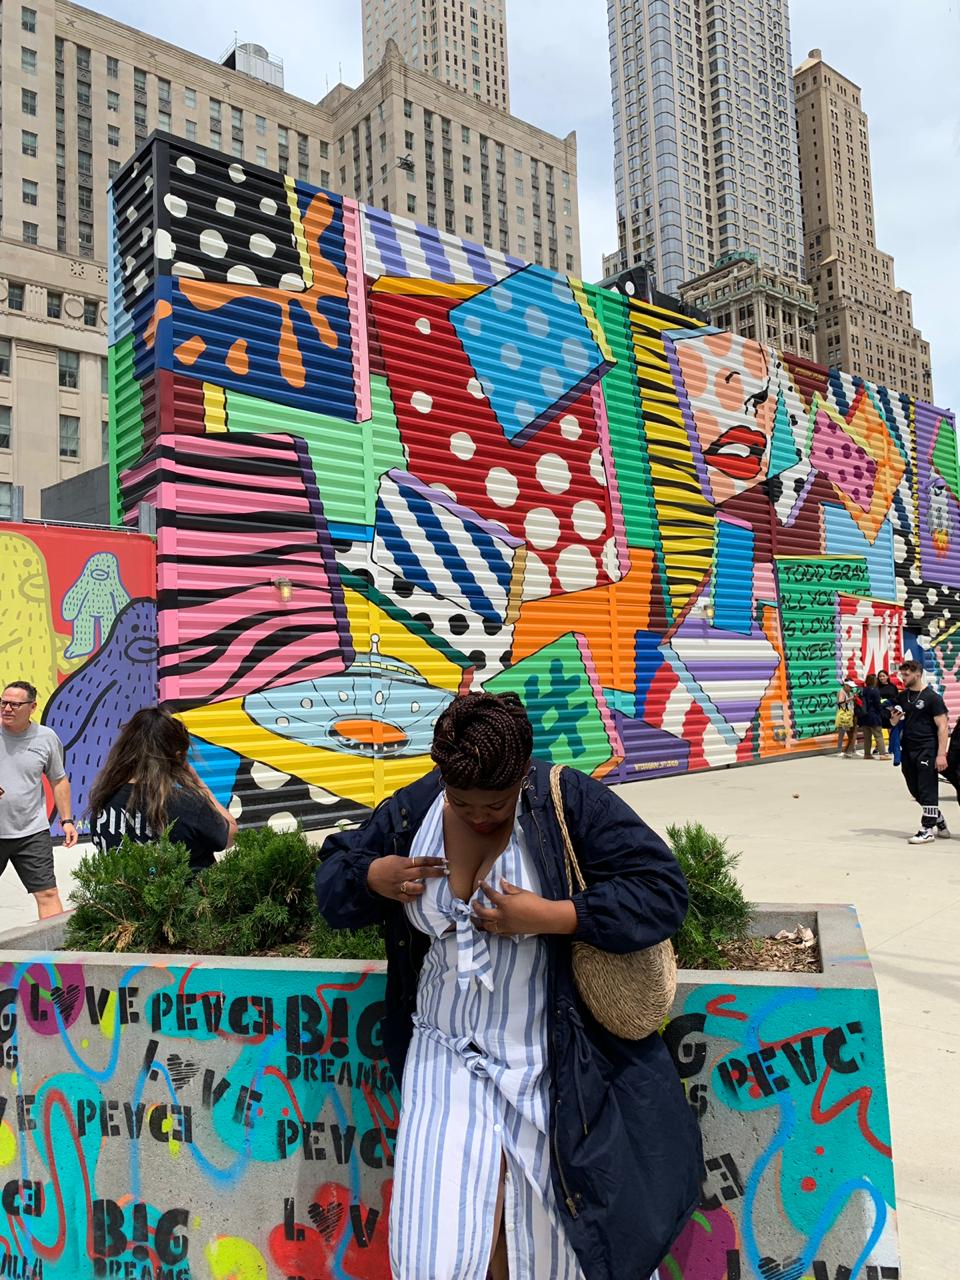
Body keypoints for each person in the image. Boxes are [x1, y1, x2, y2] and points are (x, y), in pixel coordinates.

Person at [316, 691, 702, 1280]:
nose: (477, 816)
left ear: (521, 774)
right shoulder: (413, 811)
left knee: (552, 1245)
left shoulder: (565, 801)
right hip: (442, 1054)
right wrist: (373, 876)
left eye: (494, 805)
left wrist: (553, 916)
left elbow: (663, 890)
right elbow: (332, 882)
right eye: (461, 801)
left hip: (545, 1060)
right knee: (431, 1253)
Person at [88, 707, 236, 872]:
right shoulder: (188, 804)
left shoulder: (103, 801)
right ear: (178, 757)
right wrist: (197, 783)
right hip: (188, 889)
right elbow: (231, 835)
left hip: (126, 889)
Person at [0, 680, 78, 918]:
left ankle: (54, 944)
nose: (7, 708)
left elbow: (59, 780)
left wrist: (67, 820)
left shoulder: (46, 737)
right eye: (3, 702)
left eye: (15, 704)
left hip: (32, 833)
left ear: (32, 707)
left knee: (48, 894)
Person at [889, 660, 950, 844]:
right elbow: (892, 720)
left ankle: (927, 829)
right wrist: (893, 720)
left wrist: (941, 754)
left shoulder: (933, 698)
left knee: (927, 787)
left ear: (918, 674)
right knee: (915, 789)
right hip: (908, 748)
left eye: (906, 675)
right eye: (902, 674)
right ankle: (938, 818)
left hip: (927, 748)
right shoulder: (903, 697)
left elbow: (943, 726)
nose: (903, 678)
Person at [859, 674, 889, 760]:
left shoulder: (863, 690)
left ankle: (867, 754)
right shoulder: (875, 690)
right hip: (874, 716)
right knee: (878, 735)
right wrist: (883, 714)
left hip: (864, 716)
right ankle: (883, 754)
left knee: (867, 737)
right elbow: (877, 704)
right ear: (874, 681)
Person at [877, 669, 902, 764]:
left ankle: (891, 747)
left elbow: (897, 698)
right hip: (881, 709)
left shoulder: (892, 687)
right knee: (878, 728)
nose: (882, 678)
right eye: (880, 676)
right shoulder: (876, 687)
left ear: (887, 677)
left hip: (891, 709)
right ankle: (879, 747)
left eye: (883, 676)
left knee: (891, 728)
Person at [835, 681, 857, 756]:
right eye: (850, 687)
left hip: (848, 715)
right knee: (841, 733)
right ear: (846, 685)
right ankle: (839, 751)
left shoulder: (848, 693)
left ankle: (853, 749)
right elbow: (840, 702)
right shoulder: (842, 692)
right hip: (843, 716)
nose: (851, 688)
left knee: (851, 734)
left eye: (852, 687)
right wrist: (851, 698)